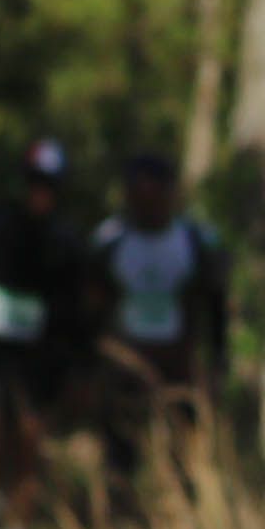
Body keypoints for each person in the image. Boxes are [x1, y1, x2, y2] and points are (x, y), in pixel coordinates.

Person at [0, 139, 91, 529]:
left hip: (40, 359)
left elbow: (78, 313)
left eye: (49, 185)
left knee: (29, 444)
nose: (40, 193)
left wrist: (77, 369)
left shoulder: (69, 242)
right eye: (35, 182)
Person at [91, 150, 226, 486]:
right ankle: (120, 506)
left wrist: (217, 363)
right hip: (125, 364)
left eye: (155, 195)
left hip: (178, 364)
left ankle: (181, 506)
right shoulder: (110, 241)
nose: (147, 204)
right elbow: (91, 305)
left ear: (171, 195)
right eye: (139, 195)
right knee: (120, 455)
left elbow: (215, 306)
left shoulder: (196, 241)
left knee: (184, 454)